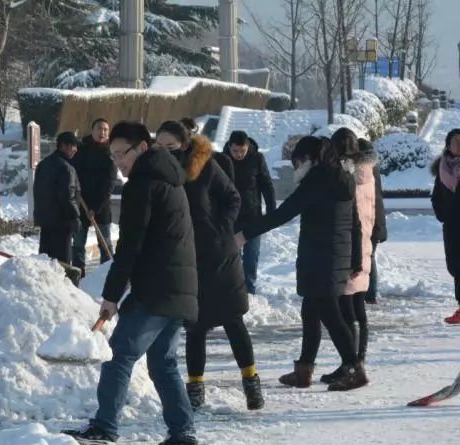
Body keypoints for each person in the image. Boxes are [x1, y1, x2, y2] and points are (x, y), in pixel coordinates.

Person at [64, 121, 200, 445]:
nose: (118, 162)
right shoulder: (169, 178)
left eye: (121, 154)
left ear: (141, 148)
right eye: (112, 156)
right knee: (163, 362)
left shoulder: (144, 183)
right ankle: (183, 435)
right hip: (178, 286)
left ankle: (104, 429)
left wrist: (111, 296)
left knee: (119, 354)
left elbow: (130, 246)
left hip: (157, 288)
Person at [236, 136, 368, 391]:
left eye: (298, 160)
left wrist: (243, 235)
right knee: (311, 312)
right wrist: (353, 259)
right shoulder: (343, 177)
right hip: (334, 256)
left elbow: (283, 213)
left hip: (320, 257)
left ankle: (354, 368)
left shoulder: (317, 180)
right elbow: (354, 223)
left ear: (311, 159)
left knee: (330, 313)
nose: (296, 165)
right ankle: (304, 370)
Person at [156, 121, 263, 411]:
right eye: (161, 146)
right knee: (195, 327)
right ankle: (195, 388)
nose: (167, 151)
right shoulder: (159, 173)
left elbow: (233, 197)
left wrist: (221, 229)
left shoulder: (205, 166)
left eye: (172, 146)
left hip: (219, 255)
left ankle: (251, 383)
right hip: (186, 259)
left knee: (233, 320)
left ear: (185, 143)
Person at [325, 128, 375, 384]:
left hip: (350, 245)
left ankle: (352, 365)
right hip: (363, 243)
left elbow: (351, 216)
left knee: (347, 309)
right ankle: (355, 361)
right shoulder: (367, 170)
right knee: (356, 305)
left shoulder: (347, 174)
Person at [224, 131, 276, 294]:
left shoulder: (257, 159)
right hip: (229, 216)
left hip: (252, 216)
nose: (238, 154)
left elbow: (267, 185)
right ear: (229, 147)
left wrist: (271, 210)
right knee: (231, 256)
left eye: (242, 151)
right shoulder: (222, 160)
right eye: (235, 151)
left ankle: (249, 289)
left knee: (251, 256)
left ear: (248, 147)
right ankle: (232, 288)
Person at [72, 119, 118, 275]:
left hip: (101, 207)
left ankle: (106, 275)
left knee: (105, 244)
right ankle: (78, 275)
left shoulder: (111, 152)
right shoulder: (81, 149)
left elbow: (109, 184)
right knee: (78, 244)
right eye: (99, 129)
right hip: (81, 203)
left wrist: (95, 208)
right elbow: (74, 174)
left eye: (106, 129)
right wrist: (79, 199)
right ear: (92, 130)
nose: (102, 132)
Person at [33, 131, 81, 264]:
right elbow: (67, 196)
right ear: (63, 146)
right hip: (62, 221)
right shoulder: (66, 168)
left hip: (45, 220)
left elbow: (37, 191)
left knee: (46, 259)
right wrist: (75, 216)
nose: (75, 150)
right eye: (73, 146)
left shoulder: (43, 165)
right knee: (62, 262)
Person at [431, 128, 460, 324]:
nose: (458, 144)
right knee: (456, 267)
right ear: (448, 145)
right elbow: (436, 196)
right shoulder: (442, 168)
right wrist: (443, 215)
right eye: (455, 141)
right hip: (452, 226)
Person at [362, 138, 387, 305]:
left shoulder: (365, 167)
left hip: (370, 220)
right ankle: (370, 293)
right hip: (376, 219)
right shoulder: (373, 165)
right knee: (369, 256)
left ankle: (370, 293)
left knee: (368, 256)